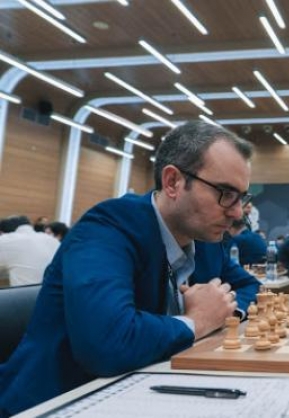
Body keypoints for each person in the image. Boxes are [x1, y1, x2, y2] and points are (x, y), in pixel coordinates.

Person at [0, 121, 262, 417]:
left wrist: (226, 311)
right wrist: (198, 321)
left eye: (242, 197)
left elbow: (253, 289)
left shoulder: (206, 240)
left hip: (149, 392)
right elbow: (107, 344)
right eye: (225, 193)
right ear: (173, 182)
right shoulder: (107, 228)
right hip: (59, 402)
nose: (238, 212)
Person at [0, 215, 60, 286]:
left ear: (2, 233)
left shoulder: (7, 240)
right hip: (59, 294)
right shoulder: (53, 240)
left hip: (25, 295)